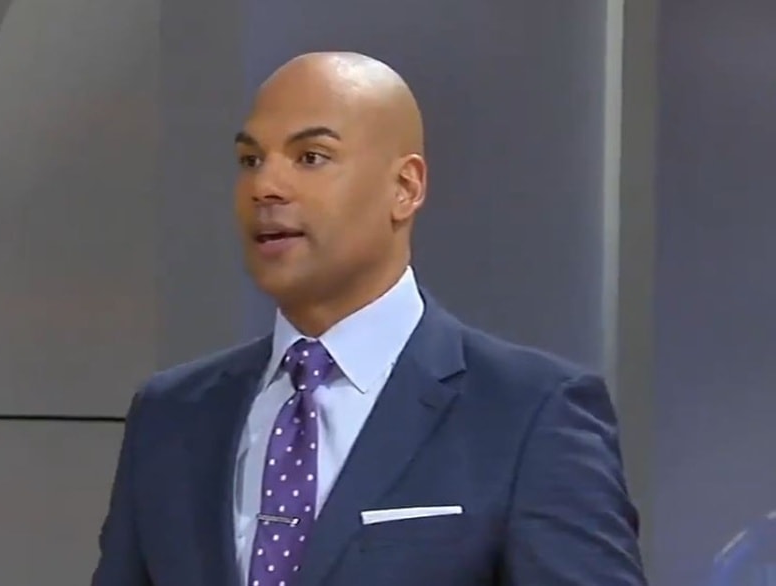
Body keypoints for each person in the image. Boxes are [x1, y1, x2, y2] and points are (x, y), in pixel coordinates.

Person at [91, 51, 647, 586]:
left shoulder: (529, 414)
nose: (265, 187)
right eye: (250, 160)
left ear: (405, 188)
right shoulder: (171, 416)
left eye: (311, 157)